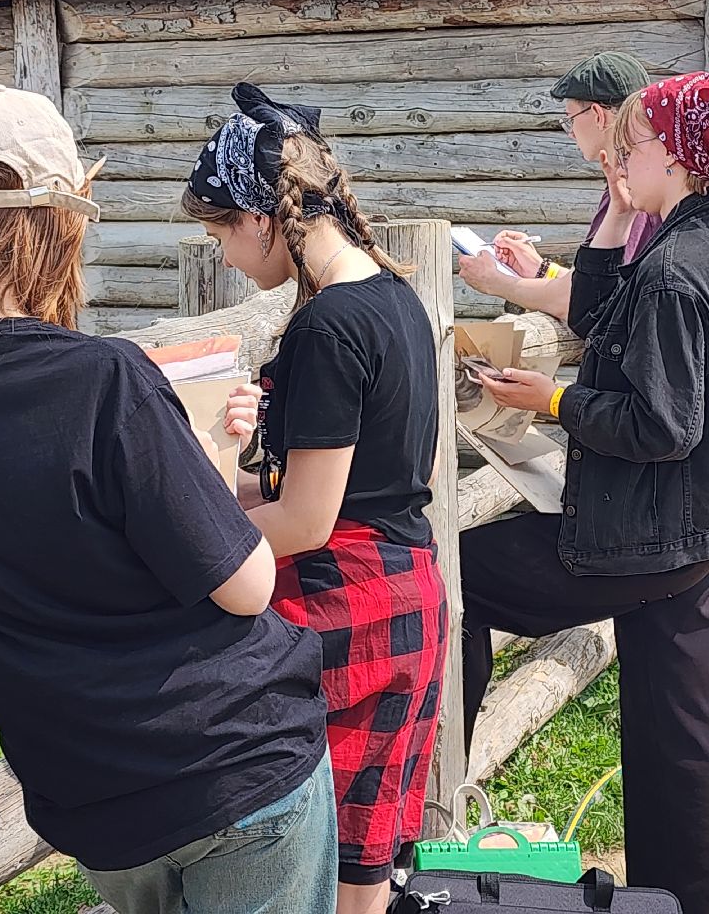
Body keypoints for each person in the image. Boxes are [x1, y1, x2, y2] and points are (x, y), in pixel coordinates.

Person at [0, 85, 336, 914]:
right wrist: (196, 461)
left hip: (87, 791)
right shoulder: (103, 379)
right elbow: (248, 583)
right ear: (62, 223)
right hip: (228, 761)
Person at [460, 67, 709, 914]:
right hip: (702, 528)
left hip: (653, 532)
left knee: (454, 576)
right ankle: (685, 900)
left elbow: (662, 425)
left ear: (673, 159)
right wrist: (615, 207)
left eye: (631, 149)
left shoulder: (677, 272)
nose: (619, 161)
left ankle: (428, 800)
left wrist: (555, 400)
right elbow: (600, 315)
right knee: (685, 735)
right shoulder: (703, 240)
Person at [184, 84, 446, 914]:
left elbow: (306, 519)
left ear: (262, 218)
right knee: (364, 856)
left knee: (315, 850)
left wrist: (193, 541)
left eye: (223, 228)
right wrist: (238, 469)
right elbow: (349, 478)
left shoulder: (328, 325)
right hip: (409, 591)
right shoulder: (395, 296)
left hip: (349, 601)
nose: (225, 253)